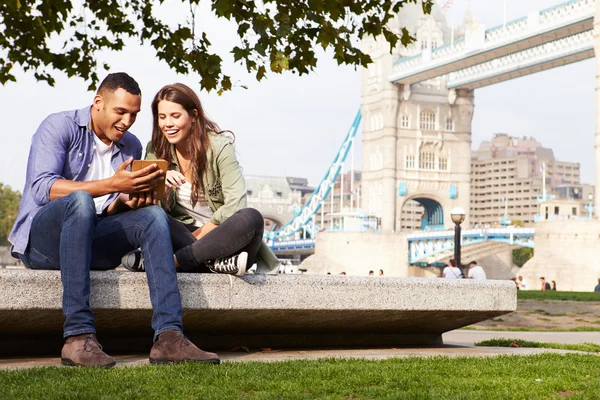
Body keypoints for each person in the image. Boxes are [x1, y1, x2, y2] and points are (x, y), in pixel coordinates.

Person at [8, 73, 219, 367]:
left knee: (152, 215)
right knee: (79, 200)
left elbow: (105, 210)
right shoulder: (58, 126)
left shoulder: (131, 146)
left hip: (91, 240)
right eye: (120, 112)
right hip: (44, 245)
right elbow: (44, 188)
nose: (127, 121)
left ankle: (169, 337)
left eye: (133, 114)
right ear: (98, 102)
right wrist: (114, 185)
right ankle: (78, 337)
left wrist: (125, 201)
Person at [123, 83, 279, 275]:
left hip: (225, 238)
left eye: (175, 116)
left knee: (251, 217)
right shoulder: (155, 149)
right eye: (162, 117)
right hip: (182, 235)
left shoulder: (219, 147)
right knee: (151, 214)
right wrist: (160, 178)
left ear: (194, 116)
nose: (167, 124)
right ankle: (215, 264)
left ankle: (174, 262)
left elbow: (236, 203)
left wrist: (201, 239)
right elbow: (146, 203)